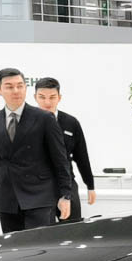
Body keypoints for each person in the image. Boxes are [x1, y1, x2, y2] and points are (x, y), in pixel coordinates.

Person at [0, 67, 73, 232]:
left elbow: (60, 160)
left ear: (25, 88)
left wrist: (65, 196)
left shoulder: (44, 118)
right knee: (13, 245)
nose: (16, 91)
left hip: (40, 196)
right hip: (8, 198)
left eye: (20, 86)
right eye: (9, 87)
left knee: (39, 245)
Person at [33, 77, 96, 223]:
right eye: (42, 97)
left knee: (73, 228)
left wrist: (90, 185)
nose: (47, 102)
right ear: (35, 97)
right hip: (38, 186)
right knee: (42, 230)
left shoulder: (71, 122)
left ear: (59, 98)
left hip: (67, 183)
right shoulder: (26, 122)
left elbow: (81, 156)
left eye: (52, 97)